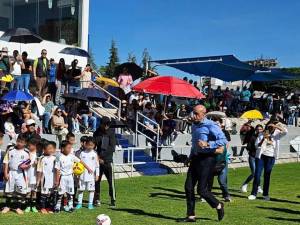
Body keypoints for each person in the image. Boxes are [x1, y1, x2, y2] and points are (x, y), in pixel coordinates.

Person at [183, 105, 227, 222]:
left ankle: (218, 205)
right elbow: (194, 144)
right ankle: (191, 215)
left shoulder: (211, 125)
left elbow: (223, 140)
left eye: (197, 113)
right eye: (193, 113)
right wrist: (190, 157)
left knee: (202, 190)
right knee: (188, 187)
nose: (194, 115)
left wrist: (208, 144)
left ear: (203, 114)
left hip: (208, 159)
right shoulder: (194, 126)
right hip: (196, 158)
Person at [248, 123, 287, 200]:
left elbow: (285, 131)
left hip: (271, 157)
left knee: (267, 176)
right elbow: (256, 145)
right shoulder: (262, 134)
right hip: (261, 156)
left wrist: (276, 126)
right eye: (270, 127)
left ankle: (265, 194)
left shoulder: (277, 134)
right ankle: (253, 194)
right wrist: (263, 139)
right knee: (257, 175)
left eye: (272, 128)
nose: (271, 129)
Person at [54, 140, 92, 213]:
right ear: (62, 148)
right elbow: (57, 169)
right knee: (60, 193)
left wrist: (88, 168)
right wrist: (57, 180)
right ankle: (57, 207)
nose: (69, 149)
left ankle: (70, 206)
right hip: (62, 177)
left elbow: (80, 161)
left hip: (70, 177)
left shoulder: (71, 156)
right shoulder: (59, 157)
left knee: (70, 193)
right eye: (68, 148)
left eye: (70, 148)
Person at [1, 134, 30, 214]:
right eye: (18, 141)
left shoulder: (26, 152)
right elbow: (6, 162)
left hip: (21, 174)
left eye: (21, 142)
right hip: (11, 172)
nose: (19, 143)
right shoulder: (11, 149)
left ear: (25, 143)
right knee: (8, 190)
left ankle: (17, 207)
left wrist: (26, 166)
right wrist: (5, 173)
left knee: (20, 191)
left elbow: (28, 163)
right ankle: (7, 206)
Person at [93, 116, 117, 207]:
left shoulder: (111, 132)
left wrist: (103, 158)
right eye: (105, 124)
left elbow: (112, 147)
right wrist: (98, 158)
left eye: (108, 124)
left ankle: (113, 199)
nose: (106, 126)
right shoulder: (96, 133)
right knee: (97, 180)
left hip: (108, 161)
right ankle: (97, 198)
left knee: (111, 181)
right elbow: (93, 146)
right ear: (101, 124)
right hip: (98, 161)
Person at [76, 137, 99, 210]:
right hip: (82, 175)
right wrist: (77, 173)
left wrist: (97, 174)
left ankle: (90, 204)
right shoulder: (82, 153)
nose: (90, 147)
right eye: (89, 145)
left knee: (91, 190)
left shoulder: (94, 154)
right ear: (85, 144)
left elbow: (97, 165)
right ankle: (79, 204)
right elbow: (78, 164)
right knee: (80, 189)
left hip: (91, 176)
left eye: (92, 145)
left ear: (94, 145)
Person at [241, 124, 264, 193]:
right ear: (255, 130)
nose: (259, 130)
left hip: (260, 157)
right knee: (254, 173)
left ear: (262, 130)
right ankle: (245, 184)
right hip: (253, 157)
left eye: (260, 129)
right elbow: (248, 147)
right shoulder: (253, 137)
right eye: (257, 129)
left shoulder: (264, 137)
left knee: (258, 173)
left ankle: (258, 187)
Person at [37, 141, 57, 214]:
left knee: (51, 194)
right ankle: (42, 208)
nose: (51, 150)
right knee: (44, 194)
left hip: (53, 179)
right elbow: (39, 170)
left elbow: (57, 170)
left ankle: (49, 207)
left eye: (52, 148)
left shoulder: (55, 158)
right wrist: (38, 180)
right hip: (44, 179)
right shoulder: (42, 158)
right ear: (44, 150)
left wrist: (57, 179)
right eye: (49, 148)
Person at [25, 138, 39, 213]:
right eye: (28, 145)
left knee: (34, 192)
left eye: (29, 145)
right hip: (28, 176)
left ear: (34, 145)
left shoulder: (38, 154)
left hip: (35, 176)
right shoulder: (26, 154)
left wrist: (37, 164)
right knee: (28, 192)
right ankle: (27, 206)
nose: (28, 147)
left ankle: (33, 206)